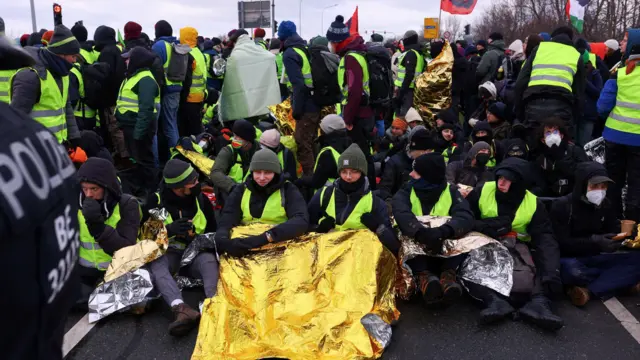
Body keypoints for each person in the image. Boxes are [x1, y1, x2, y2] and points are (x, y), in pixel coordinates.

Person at [0, 39, 79, 359]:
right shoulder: (35, 141)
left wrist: (72, 136)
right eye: (71, 54)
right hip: (44, 333)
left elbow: (66, 108)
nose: (75, 60)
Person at [466, 158, 563, 330]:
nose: (501, 182)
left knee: (541, 267)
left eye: (508, 179)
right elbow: (464, 219)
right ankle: (494, 301)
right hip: (485, 240)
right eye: (500, 177)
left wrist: (552, 271)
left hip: (518, 245)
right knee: (469, 266)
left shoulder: (533, 203)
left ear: (519, 183)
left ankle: (539, 303)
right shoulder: (483, 190)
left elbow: (544, 238)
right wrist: (492, 225)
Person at [551, 162, 640, 306]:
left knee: (637, 260)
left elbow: (612, 228)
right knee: (573, 271)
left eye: (603, 186)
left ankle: (588, 290)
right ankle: (617, 283)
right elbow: (560, 242)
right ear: (582, 185)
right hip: (570, 259)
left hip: (595, 257)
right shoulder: (563, 206)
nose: (600, 191)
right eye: (594, 186)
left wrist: (628, 232)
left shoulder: (605, 204)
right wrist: (594, 241)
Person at [147, 159, 218, 336]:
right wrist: (168, 230)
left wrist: (196, 238)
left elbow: (213, 232)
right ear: (178, 188)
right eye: (193, 182)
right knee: (156, 264)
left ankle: (215, 306)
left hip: (195, 254)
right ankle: (181, 309)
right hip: (169, 254)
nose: (197, 184)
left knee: (209, 260)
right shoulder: (155, 202)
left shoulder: (201, 201)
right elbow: (144, 241)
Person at [392, 153, 474, 306]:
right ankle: (424, 277)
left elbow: (465, 216)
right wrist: (420, 232)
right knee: (400, 234)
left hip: (442, 239)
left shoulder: (451, 191)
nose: (411, 174)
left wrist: (444, 231)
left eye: (415, 172)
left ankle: (448, 276)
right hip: (418, 238)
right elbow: (400, 211)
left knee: (470, 236)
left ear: (427, 177)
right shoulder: (407, 189)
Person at [308, 144, 400, 254]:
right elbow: (305, 228)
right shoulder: (324, 195)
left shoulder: (375, 203)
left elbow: (394, 246)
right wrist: (319, 229)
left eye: (354, 171)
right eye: (344, 171)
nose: (348, 177)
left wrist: (378, 228)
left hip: (359, 262)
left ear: (362, 172)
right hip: (327, 257)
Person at [216, 149, 309, 256]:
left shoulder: (288, 190)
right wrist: (222, 236)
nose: (262, 178)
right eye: (258, 172)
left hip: (279, 245)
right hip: (245, 245)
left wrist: (268, 236)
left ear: (276, 172)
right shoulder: (241, 190)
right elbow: (228, 216)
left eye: (267, 173)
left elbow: (301, 220)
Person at [10, 25, 81, 146]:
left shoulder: (63, 73)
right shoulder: (31, 76)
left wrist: (74, 139)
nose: (75, 61)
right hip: (37, 149)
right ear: (61, 54)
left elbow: (66, 108)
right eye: (73, 56)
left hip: (58, 146)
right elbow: (15, 120)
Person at [76, 158, 140, 285]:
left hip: (118, 271)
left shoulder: (127, 204)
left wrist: (98, 228)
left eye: (94, 189)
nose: (88, 194)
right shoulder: (76, 204)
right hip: (84, 273)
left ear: (108, 188)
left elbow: (126, 251)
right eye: (84, 188)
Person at [514, 26, 585, 141]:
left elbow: (520, 83)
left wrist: (520, 112)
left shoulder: (539, 49)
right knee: (559, 151)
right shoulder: (576, 55)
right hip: (562, 108)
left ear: (552, 38)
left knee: (533, 147)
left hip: (533, 106)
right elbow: (579, 94)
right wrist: (573, 119)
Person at [597, 34, 640, 222]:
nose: (621, 43)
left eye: (624, 40)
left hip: (615, 137)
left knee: (614, 181)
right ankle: (633, 226)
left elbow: (602, 107)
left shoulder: (620, 74)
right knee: (636, 184)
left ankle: (613, 224)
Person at [116, 47, 160, 197]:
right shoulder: (134, 76)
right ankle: (142, 188)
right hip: (132, 127)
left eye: (128, 58)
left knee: (145, 160)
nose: (126, 61)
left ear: (137, 61)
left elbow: (146, 109)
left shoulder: (145, 79)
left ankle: (151, 191)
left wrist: (139, 133)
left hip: (139, 128)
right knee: (138, 159)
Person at [279, 21, 319, 176]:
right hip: (314, 101)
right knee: (310, 141)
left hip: (305, 104)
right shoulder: (302, 48)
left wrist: (296, 110)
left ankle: (311, 181)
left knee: (302, 144)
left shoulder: (290, 54)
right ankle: (316, 175)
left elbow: (298, 85)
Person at [93, 25, 127, 162]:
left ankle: (124, 157)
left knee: (115, 129)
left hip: (110, 98)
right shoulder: (118, 50)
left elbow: (105, 75)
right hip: (119, 95)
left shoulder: (106, 53)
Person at [532, 117, 588, 197]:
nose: (552, 135)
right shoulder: (541, 158)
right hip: (551, 198)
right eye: (548, 133)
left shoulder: (575, 151)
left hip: (573, 195)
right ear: (543, 140)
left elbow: (583, 173)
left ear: (561, 135)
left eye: (555, 132)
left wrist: (561, 158)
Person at [152, 20, 182, 161]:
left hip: (165, 90)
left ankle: (173, 161)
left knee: (166, 127)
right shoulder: (177, 45)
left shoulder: (159, 46)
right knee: (172, 124)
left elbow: (155, 68)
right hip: (177, 89)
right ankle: (176, 156)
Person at [377, 126, 433, 201]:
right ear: (416, 148)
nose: (429, 154)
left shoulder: (429, 161)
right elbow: (384, 189)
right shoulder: (394, 162)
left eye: (430, 150)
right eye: (426, 151)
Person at [209, 119, 260, 202]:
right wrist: (233, 187)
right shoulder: (228, 151)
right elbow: (215, 173)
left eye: (237, 137)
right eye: (234, 135)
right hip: (231, 192)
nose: (234, 139)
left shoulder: (260, 151)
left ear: (247, 139)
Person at [179, 26, 207, 137]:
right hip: (199, 95)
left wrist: (182, 98)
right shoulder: (198, 52)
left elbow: (187, 79)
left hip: (189, 97)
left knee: (188, 130)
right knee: (196, 128)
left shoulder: (187, 54)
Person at [393, 30, 425, 119]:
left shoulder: (411, 53)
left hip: (407, 90)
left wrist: (401, 93)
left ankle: (403, 132)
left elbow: (409, 74)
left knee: (404, 116)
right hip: (411, 88)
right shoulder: (418, 52)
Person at [578, 50, 603, 146]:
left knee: (584, 144)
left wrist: (584, 80)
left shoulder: (595, 74)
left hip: (589, 115)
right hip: (577, 114)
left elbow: (598, 92)